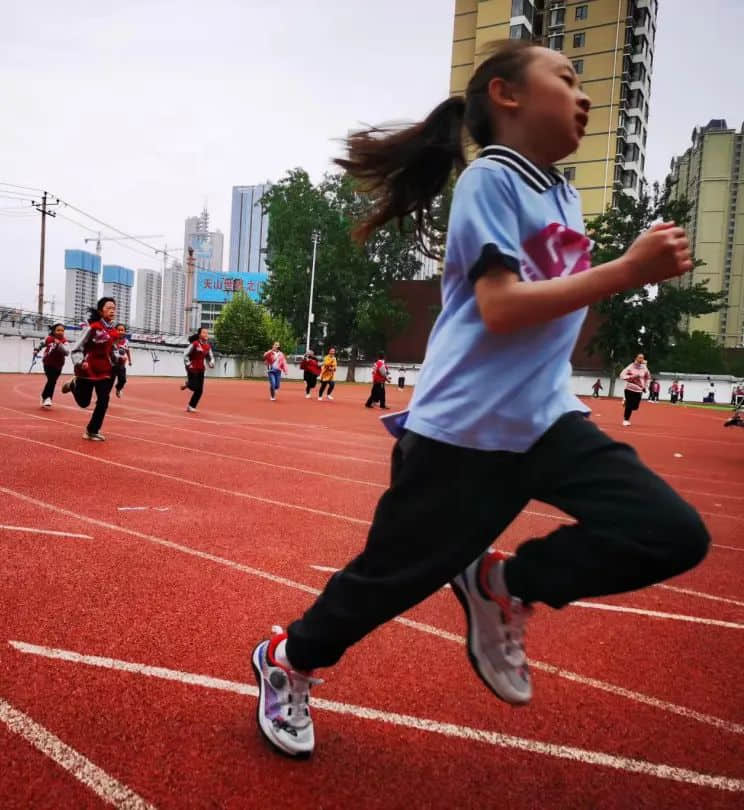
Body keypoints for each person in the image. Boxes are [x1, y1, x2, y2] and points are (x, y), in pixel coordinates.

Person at [251, 41, 709, 760]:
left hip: (548, 421)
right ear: (508, 94)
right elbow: (499, 308)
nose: (583, 96)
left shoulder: (563, 193)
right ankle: (287, 659)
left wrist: (621, 273)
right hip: (463, 432)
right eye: (566, 78)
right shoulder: (491, 181)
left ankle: (505, 581)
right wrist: (628, 270)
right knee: (387, 582)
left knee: (671, 532)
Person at [62, 297, 118, 441]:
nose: (112, 310)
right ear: (101, 311)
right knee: (84, 403)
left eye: (114, 308)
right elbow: (76, 348)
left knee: (104, 400)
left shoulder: (112, 330)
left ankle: (92, 430)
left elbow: (112, 349)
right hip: (88, 368)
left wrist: (117, 357)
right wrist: (80, 362)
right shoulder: (93, 328)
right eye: (108, 308)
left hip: (105, 370)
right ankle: (74, 385)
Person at [36, 323, 69, 408]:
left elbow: (67, 352)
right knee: (52, 380)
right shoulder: (49, 338)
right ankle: (48, 398)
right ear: (54, 331)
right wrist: (36, 350)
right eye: (58, 330)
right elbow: (41, 344)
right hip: (48, 363)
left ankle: (44, 396)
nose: (60, 332)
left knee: (52, 381)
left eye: (62, 330)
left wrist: (59, 345)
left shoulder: (64, 341)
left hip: (59, 365)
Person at [182, 328, 215, 412]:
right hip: (192, 368)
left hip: (201, 369)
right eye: (204, 333)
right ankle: (188, 383)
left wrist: (211, 362)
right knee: (194, 386)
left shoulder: (208, 346)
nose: (206, 334)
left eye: (207, 333)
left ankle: (191, 406)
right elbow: (185, 354)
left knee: (200, 390)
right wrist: (189, 364)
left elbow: (210, 356)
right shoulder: (195, 344)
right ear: (200, 334)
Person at [619, 354, 650, 426]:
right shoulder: (631, 366)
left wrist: (645, 386)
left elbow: (648, 378)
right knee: (629, 406)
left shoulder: (645, 368)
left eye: (642, 358)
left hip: (639, 390)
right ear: (636, 358)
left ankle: (626, 401)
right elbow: (622, 375)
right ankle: (626, 420)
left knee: (635, 407)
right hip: (629, 388)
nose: (641, 359)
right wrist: (632, 376)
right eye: (639, 358)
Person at [113, 323, 132, 399]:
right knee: (107, 384)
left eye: (122, 330)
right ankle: (101, 398)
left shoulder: (126, 341)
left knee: (123, 380)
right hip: (112, 364)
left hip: (121, 365)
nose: (120, 331)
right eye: (119, 330)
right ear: (115, 330)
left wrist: (130, 360)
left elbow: (127, 351)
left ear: (124, 331)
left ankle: (118, 389)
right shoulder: (112, 339)